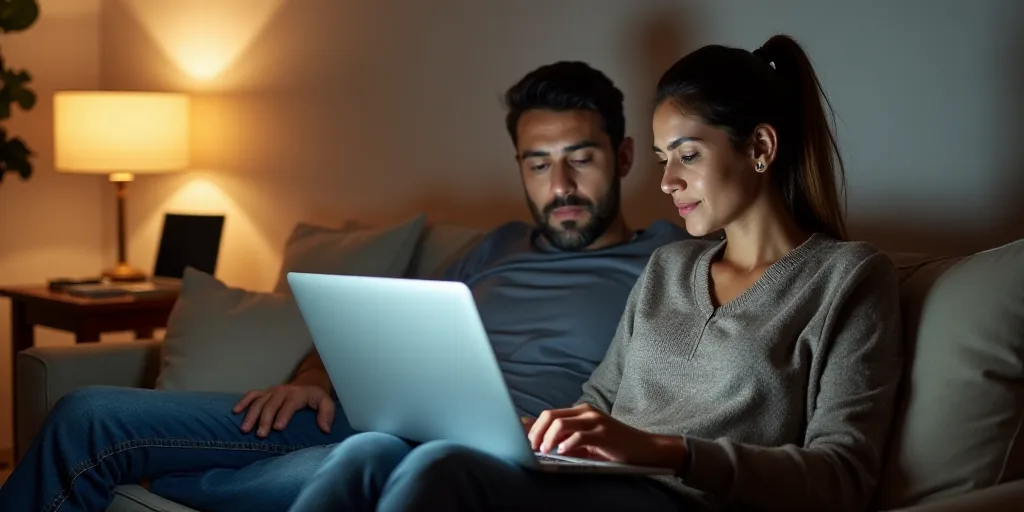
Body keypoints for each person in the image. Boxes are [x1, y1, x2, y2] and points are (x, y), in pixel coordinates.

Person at [0, 61, 692, 512]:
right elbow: (380, 331)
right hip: (366, 417)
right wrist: (312, 377)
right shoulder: (494, 247)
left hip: (480, 456)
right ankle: (202, 480)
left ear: (626, 156)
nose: (561, 186)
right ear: (519, 166)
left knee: (372, 465)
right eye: (538, 164)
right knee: (87, 413)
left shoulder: (672, 263)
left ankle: (194, 483)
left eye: (582, 159)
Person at [286, 35, 905, 512]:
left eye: (687, 156)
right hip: (599, 484)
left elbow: (843, 476)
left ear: (760, 148)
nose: (666, 182)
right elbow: (598, 402)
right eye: (664, 160)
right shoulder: (669, 268)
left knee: (438, 471)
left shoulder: (847, 279)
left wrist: (665, 451)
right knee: (369, 451)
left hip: (685, 500)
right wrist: (537, 430)